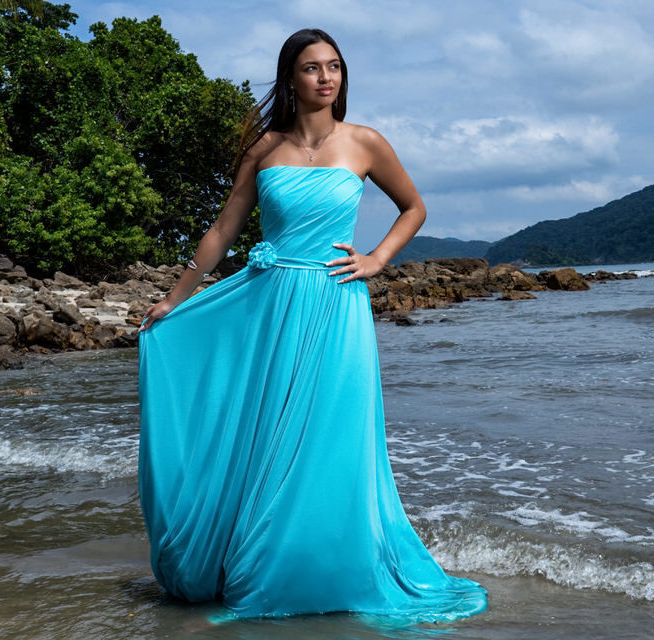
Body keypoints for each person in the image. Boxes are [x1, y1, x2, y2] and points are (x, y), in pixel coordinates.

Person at [136, 28, 487, 625]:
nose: (326, 78)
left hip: (335, 305)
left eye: (334, 67)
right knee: (266, 439)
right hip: (272, 309)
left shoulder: (365, 143)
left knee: (330, 435)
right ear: (290, 79)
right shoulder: (264, 151)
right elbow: (222, 232)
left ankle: (318, 565)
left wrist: (376, 260)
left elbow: (415, 208)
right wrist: (174, 300)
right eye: (311, 68)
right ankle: (262, 562)